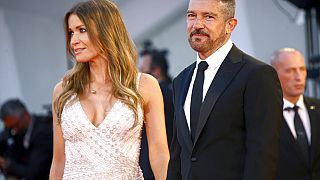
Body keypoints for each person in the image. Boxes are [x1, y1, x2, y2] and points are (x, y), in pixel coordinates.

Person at [49, 0, 169, 179]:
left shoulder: (145, 86)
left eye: (82, 30)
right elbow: (59, 162)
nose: (74, 41)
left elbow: (159, 155)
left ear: (106, 30)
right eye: (70, 33)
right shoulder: (63, 91)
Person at [167, 0, 283, 179]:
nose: (197, 24)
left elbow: (262, 154)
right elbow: (178, 154)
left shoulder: (257, 75)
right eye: (192, 16)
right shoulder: (181, 80)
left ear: (230, 25)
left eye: (209, 17)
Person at [271, 48, 320, 180]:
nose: (298, 77)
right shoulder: (262, 114)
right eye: (290, 71)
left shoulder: (318, 108)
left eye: (302, 69)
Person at [139, 45, 174, 180]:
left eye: (142, 70)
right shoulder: (175, 90)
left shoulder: (161, 92)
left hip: (156, 168)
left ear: (156, 71)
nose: (139, 75)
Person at [0, 99, 53, 180]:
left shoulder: (42, 133)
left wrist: (7, 164)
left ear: (25, 114)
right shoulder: (16, 131)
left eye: (16, 125)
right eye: (10, 128)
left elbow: (33, 173)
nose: (14, 130)